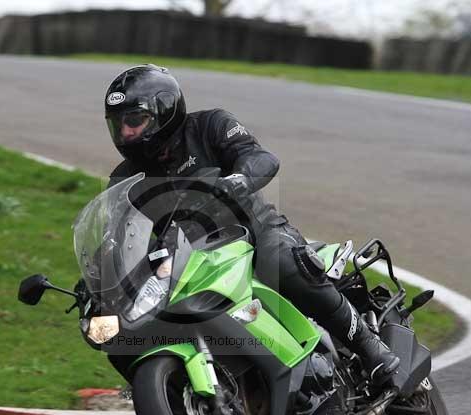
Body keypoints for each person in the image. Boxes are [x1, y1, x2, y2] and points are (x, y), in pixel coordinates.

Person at [103, 64, 406, 392]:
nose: (126, 134)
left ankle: (369, 347)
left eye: (134, 120)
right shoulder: (125, 179)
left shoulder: (210, 126)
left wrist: (240, 179)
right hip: (191, 262)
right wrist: (102, 275)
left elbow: (261, 157)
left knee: (278, 261)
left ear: (165, 109)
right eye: (118, 125)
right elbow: (117, 235)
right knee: (119, 329)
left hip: (253, 230)